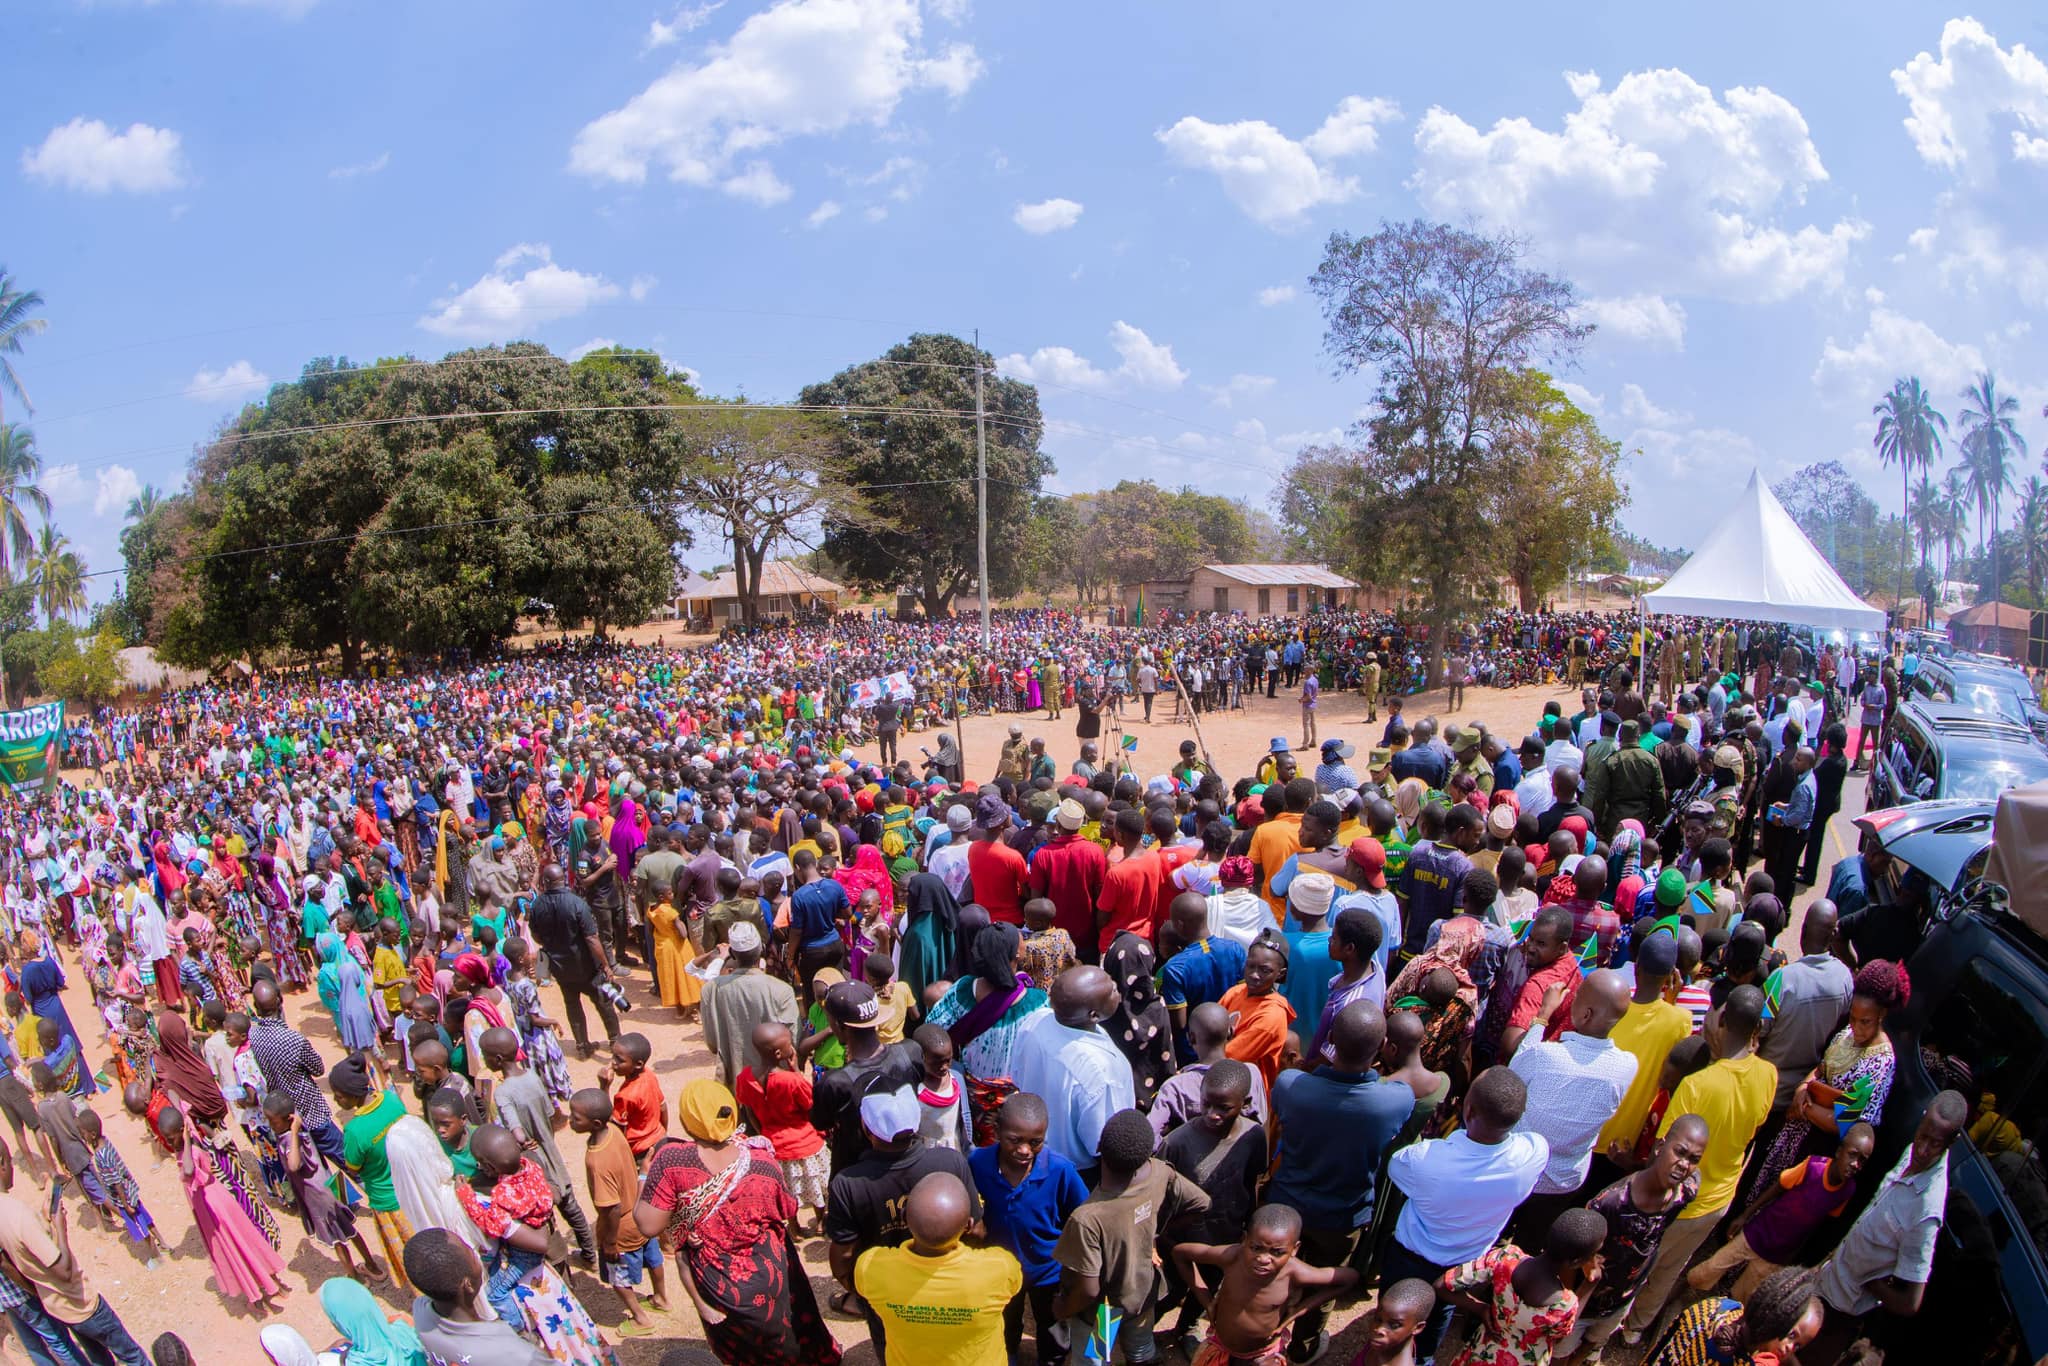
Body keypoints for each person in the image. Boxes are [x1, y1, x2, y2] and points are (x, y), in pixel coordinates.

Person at [637, 1078, 843, 1366]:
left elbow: (648, 1225)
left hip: (719, 1282)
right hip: (770, 1273)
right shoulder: (761, 1160)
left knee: (739, 1349)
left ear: (687, 1122)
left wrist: (644, 1174)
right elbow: (787, 1207)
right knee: (786, 1334)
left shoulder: (671, 1161)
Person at [1618, 985, 1776, 1347]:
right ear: (1756, 1029)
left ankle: (1612, 1322)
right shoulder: (1769, 1074)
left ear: (1723, 1020)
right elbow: (1756, 1126)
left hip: (1681, 1199)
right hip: (1720, 1198)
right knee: (1672, 1267)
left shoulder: (1696, 1085)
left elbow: (1662, 1154)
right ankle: (1635, 1329)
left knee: (1642, 1264)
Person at [1264, 1003, 1409, 1361]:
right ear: (1383, 1046)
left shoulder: (1291, 1085)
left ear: (1330, 1039)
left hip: (1286, 1206)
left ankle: (1264, 1337)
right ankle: (1304, 1347)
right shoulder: (1395, 1100)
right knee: (1324, 1283)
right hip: (1343, 1217)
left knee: (1272, 1275)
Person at [1382, 1067, 1549, 1362]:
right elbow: (1532, 1140)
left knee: (1391, 1322)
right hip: (1461, 1269)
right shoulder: (1533, 1154)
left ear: (1468, 1110)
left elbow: (1396, 1166)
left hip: (1409, 1259)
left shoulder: (1425, 1160)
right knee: (1435, 1323)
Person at [1808, 1092, 1968, 1359]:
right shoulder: (1911, 1153)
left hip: (1840, 1312)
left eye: (1935, 1144)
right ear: (1922, 1121)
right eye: (1923, 1137)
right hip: (1827, 1279)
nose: (1923, 1149)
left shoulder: (1927, 1209)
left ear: (1952, 1142)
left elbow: (1910, 1302)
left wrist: (1872, 1285)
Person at [824, 1085, 981, 1352]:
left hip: (885, 1291)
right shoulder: (951, 1162)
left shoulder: (848, 1184)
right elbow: (977, 1231)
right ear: (916, 1123)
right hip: (946, 1284)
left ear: (866, 1129)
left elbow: (843, 1257)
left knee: (892, 1347)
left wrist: (862, 1291)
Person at [1052, 1109, 1210, 1366]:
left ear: (1100, 1148)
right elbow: (1201, 1203)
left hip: (1106, 1311)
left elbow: (1089, 1290)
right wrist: (1155, 1231)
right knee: (1141, 1351)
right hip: (1143, 1294)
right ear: (1146, 1155)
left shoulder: (1088, 1218)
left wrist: (1063, 1307)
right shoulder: (1161, 1173)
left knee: (1095, 1359)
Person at [1505, 968, 1637, 1243]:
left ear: (1586, 1014)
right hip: (1566, 1181)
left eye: (1575, 998)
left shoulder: (1546, 1055)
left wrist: (1543, 1015)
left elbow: (1514, 1072)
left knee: (1497, 1236)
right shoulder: (1627, 1066)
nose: (1571, 1001)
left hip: (1521, 1171)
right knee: (1530, 1244)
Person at [1752, 958, 1905, 1195]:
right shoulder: (1847, 1034)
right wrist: (1803, 1087)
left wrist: (1804, 1106)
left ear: (1881, 1015)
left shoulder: (1881, 1062)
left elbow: (1844, 1122)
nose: (1856, 1027)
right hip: (1793, 1133)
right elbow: (1821, 1068)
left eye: (1865, 1022)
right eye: (1853, 1018)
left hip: (1815, 1151)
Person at [1562, 1115, 1705, 1358]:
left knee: (1591, 1344)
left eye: (1694, 1159)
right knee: (1562, 1351)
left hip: (1624, 1296)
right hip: (1586, 1299)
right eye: (1679, 1152)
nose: (1684, 1165)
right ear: (1660, 1147)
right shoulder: (1612, 1203)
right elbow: (1573, 1243)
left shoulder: (1686, 1191)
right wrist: (1583, 1271)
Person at [0, 1139, 152, 1365]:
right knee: (132, 1356)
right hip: (81, 1302)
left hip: (58, 1306)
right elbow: (64, 1270)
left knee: (99, 1359)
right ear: (2, 1163)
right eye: (10, 1161)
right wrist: (60, 1226)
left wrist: (46, 1222)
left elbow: (15, 1259)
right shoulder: (18, 1214)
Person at [1690, 1122, 1872, 1301]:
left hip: (1777, 1254)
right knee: (1709, 1269)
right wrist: (1745, 1215)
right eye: (1852, 1155)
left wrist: (1791, 1256)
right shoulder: (1813, 1167)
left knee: (1743, 1297)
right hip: (1758, 1232)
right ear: (1839, 1151)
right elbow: (1779, 1186)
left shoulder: (1847, 1191)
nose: (1855, 1164)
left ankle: (1720, 1315)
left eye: (1862, 1160)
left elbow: (1817, 1225)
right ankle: (1677, 1294)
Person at [970, 1093, 1089, 1366]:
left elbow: (1083, 1215)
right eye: (1015, 1140)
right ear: (997, 1131)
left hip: (1048, 1271)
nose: (1025, 1150)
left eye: (1035, 1142)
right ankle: (1007, 1353)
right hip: (999, 1270)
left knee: (1052, 1326)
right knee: (1005, 1320)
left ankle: (1051, 1359)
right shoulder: (977, 1163)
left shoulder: (1060, 1170)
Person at [856, 1171, 1021, 1366]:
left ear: (904, 1217)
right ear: (968, 1225)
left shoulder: (871, 1267)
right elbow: (1014, 1286)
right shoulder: (999, 1268)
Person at [1169, 1204, 1358, 1366]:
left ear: (1295, 1249)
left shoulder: (1295, 1272)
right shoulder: (1232, 1256)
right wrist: (1206, 1300)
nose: (1263, 1259)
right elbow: (1180, 1253)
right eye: (1256, 1248)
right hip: (1221, 1347)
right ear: (1244, 1240)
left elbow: (1349, 1278)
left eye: (1277, 1252)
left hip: (1262, 1357)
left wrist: (1300, 1310)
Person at [1434, 1207, 1607, 1366]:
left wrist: (1480, 1308)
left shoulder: (1505, 1258)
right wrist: (1589, 1286)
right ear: (1576, 1262)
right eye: (1594, 1252)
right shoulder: (1564, 1304)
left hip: (1484, 1349)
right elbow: (1560, 1337)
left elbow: (1441, 1285)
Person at [1008, 966, 1136, 1177]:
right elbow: (1104, 1143)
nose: (1116, 986)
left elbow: (1017, 1077)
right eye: (1112, 989)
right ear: (1093, 1015)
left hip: (1034, 1156)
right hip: (1078, 1173)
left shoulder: (1036, 1021)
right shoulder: (1100, 1072)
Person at [405, 1226, 553, 1366]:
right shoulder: (514, 1354)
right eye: (471, 1253)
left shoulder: (421, 1313)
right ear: (468, 1285)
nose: (476, 1255)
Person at [526, 863, 620, 1058]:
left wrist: (552, 944)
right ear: (562, 879)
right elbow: (592, 938)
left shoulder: (537, 905)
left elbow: (536, 935)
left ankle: (582, 1046)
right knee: (603, 1002)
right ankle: (615, 1041)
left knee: (572, 1004)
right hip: (586, 966)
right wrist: (605, 965)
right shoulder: (577, 903)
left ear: (545, 882)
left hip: (560, 967)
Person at [1644, 1266, 1823, 1366]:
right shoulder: (1731, 1360)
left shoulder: (1720, 1307)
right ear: (1774, 1318)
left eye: (1798, 1346)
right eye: (1791, 1335)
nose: (1789, 1349)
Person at [700, 920, 801, 1086]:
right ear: (761, 950)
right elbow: (793, 1040)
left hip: (734, 1084)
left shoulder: (711, 990)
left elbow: (712, 1043)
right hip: (776, 1085)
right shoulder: (782, 990)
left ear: (732, 954)